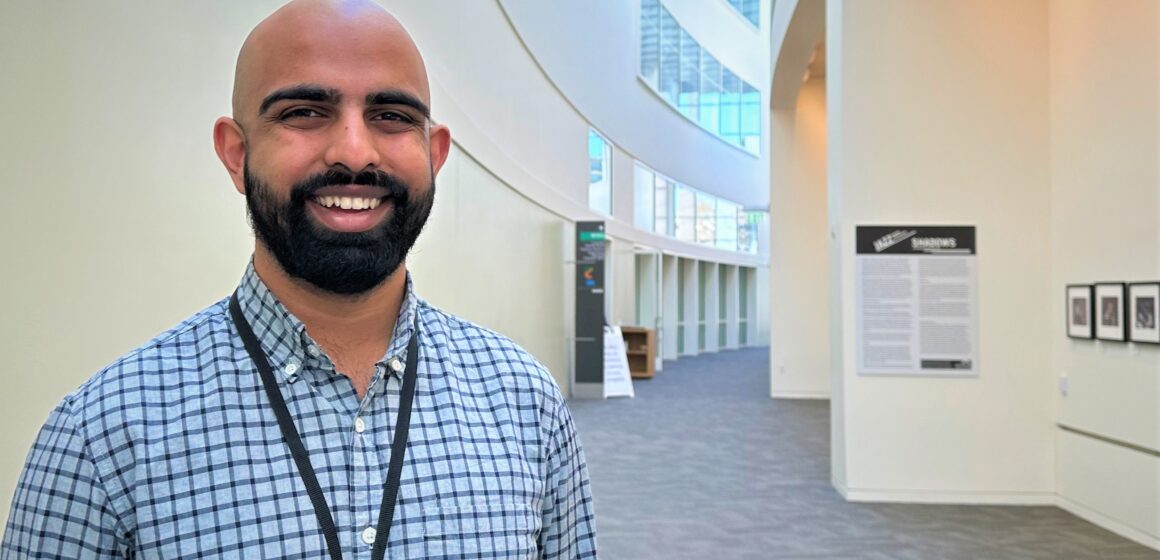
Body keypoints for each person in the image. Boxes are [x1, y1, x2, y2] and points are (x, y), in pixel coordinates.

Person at [1, 1, 597, 558]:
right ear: (236, 154)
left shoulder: (526, 404)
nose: (355, 152)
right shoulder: (101, 438)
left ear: (434, 153)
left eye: (391, 116)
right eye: (305, 113)